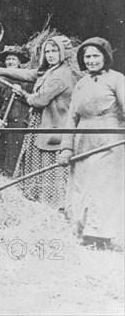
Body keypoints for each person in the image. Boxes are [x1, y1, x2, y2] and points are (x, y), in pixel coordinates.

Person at [0, 35, 76, 209]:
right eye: (47, 51)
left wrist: (23, 94)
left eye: (54, 51)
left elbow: (39, 101)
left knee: (51, 170)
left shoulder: (62, 74)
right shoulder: (50, 70)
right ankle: (40, 205)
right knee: (39, 166)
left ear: (63, 52)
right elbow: (27, 73)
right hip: (41, 126)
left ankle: (55, 208)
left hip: (54, 128)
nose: (50, 55)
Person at [57, 37, 124, 250]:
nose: (92, 60)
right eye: (87, 57)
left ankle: (102, 235)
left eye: (96, 55)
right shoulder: (81, 84)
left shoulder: (116, 79)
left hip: (108, 138)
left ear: (105, 57)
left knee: (103, 186)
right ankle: (84, 233)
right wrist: (66, 147)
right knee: (82, 186)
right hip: (83, 140)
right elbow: (72, 118)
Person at [0, 46, 32, 175]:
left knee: (15, 158)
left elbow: (36, 101)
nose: (10, 62)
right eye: (8, 59)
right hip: (3, 124)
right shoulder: (0, 80)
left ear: (19, 62)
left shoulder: (28, 79)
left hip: (20, 124)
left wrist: (22, 93)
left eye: (13, 59)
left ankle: (13, 184)